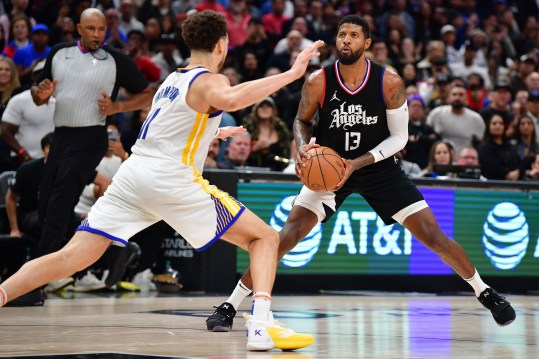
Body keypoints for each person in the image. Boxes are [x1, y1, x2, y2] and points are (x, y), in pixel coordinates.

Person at [0, 10, 322, 352]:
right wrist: (292, 73)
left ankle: (3, 292)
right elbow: (230, 99)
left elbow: (169, 126)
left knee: (72, 256)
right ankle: (260, 324)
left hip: (133, 175)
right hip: (169, 179)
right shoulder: (212, 80)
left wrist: (214, 132)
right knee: (266, 239)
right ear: (222, 45)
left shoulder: (173, 79)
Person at [206, 14, 516, 333]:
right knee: (285, 237)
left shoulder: (388, 81)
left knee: (433, 235)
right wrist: (301, 148)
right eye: (342, 34)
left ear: (366, 43)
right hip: (328, 168)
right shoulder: (319, 80)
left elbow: (398, 139)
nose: (346, 40)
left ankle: (485, 292)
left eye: (354, 35)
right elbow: (301, 120)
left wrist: (356, 163)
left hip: (378, 168)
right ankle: (231, 305)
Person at [15, 8, 155, 306]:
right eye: (90, 28)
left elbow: (149, 94)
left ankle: (32, 283)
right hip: (61, 136)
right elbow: (39, 93)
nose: (96, 34)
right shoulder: (59, 53)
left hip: (91, 137)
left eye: (101, 29)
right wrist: (42, 93)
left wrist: (118, 108)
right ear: (78, 28)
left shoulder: (116, 60)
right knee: (47, 206)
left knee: (59, 204)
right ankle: (70, 264)